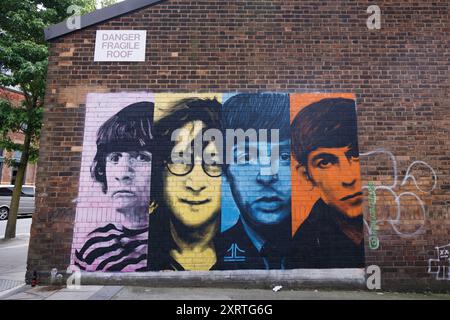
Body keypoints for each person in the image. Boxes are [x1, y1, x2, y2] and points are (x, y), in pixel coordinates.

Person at [74, 101, 154, 272]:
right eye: (115, 158)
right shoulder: (92, 247)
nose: (122, 173)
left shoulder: (177, 248)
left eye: (141, 157)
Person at [216, 93, 292, 270]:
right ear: (225, 172)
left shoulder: (328, 248)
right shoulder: (213, 255)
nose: (266, 177)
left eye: (284, 156)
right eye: (246, 156)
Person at [288, 98, 365, 268]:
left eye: (356, 153)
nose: (348, 178)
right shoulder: (304, 247)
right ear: (307, 176)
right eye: (325, 162)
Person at [147, 98, 223, 271]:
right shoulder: (135, 248)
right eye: (180, 160)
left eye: (214, 163)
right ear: (160, 171)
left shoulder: (249, 250)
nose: (195, 183)